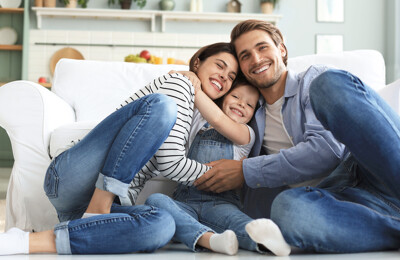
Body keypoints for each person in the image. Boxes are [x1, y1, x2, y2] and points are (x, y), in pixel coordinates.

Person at [0, 42, 238, 255]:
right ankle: (99, 206)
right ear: (197, 62)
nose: (224, 77)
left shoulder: (197, 116)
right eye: (220, 65)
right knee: (162, 106)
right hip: (74, 178)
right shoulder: (180, 83)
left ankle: (28, 242)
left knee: (162, 225)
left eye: (231, 76)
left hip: (99, 207)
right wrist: (229, 175)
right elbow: (171, 162)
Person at [195, 19, 400, 253]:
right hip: (341, 202)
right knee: (287, 210)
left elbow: (327, 150)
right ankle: (393, 229)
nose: (256, 59)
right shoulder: (247, 111)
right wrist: (190, 76)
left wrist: (246, 171)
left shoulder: (312, 81)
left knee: (328, 84)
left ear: (281, 50)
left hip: (371, 171)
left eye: (262, 48)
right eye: (245, 56)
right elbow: (212, 103)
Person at [146, 78, 291, 256]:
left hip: (220, 204)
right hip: (184, 203)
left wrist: (196, 89)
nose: (241, 104)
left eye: (249, 105)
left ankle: (267, 241)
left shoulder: (246, 134)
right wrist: (187, 77)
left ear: (254, 114)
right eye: (236, 96)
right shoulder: (199, 122)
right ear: (223, 98)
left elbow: (219, 120)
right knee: (156, 201)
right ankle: (211, 240)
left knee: (240, 222)